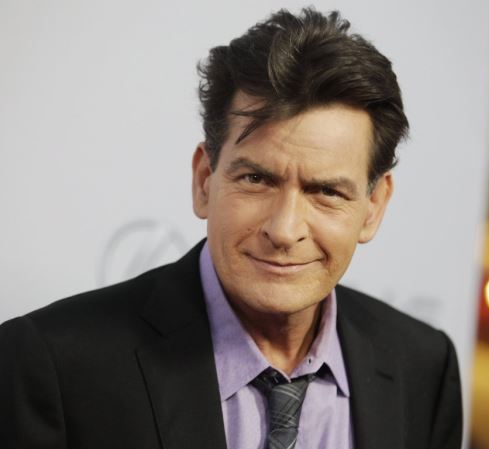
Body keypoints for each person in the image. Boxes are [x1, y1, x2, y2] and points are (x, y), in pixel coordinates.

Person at [0, 7, 462, 449]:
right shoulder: (53, 365)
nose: (285, 230)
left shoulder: (423, 366)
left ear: (373, 206)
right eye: (256, 179)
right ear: (205, 180)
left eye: (326, 191)